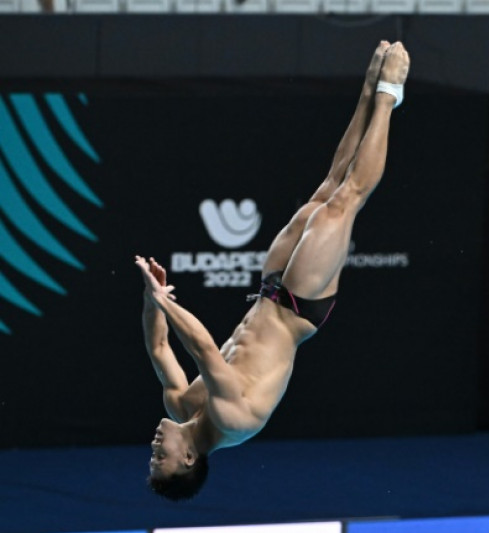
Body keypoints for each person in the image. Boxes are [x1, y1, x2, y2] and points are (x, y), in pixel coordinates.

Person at [135, 40, 410, 501]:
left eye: (151, 455)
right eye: (160, 457)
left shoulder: (181, 404)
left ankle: (367, 88)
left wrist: (150, 302)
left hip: (270, 292)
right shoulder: (231, 423)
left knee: (325, 189)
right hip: (299, 309)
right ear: (188, 459)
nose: (154, 446)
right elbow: (203, 348)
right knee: (346, 201)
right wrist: (165, 301)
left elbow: (160, 345)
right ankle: (389, 93)